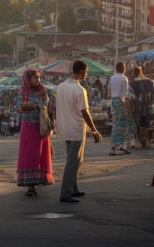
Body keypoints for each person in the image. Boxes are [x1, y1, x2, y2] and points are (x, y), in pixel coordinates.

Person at [55, 60, 102, 203]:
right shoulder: (80, 90)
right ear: (82, 71)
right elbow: (85, 113)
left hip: (65, 128)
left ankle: (73, 188)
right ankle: (65, 193)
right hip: (75, 129)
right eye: (86, 72)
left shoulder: (61, 86)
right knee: (73, 162)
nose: (86, 74)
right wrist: (94, 130)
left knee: (75, 161)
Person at [15, 68, 55, 196]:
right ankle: (30, 186)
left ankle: (39, 180)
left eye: (39, 78)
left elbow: (48, 107)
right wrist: (33, 107)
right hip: (28, 126)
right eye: (34, 78)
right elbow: (20, 107)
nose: (38, 80)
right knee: (30, 155)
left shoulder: (43, 91)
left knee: (40, 155)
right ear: (28, 80)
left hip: (41, 127)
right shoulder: (22, 91)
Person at [109, 62, 136, 156]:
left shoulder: (112, 78)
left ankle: (121, 146)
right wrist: (130, 96)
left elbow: (110, 90)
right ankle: (115, 147)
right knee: (121, 125)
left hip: (114, 102)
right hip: (122, 103)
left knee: (119, 123)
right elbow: (125, 93)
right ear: (123, 68)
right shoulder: (124, 78)